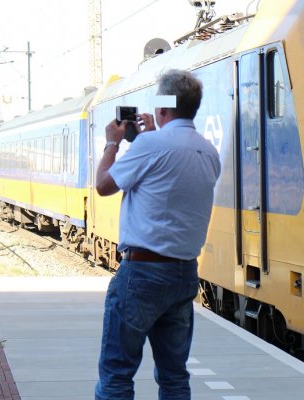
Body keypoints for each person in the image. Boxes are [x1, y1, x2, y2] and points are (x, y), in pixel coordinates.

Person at [92, 69, 220, 400]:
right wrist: (149, 137)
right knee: (175, 376)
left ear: (162, 107)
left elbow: (103, 185)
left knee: (117, 373)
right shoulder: (209, 152)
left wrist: (112, 143)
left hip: (142, 273)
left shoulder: (150, 145)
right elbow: (169, 178)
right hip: (184, 274)